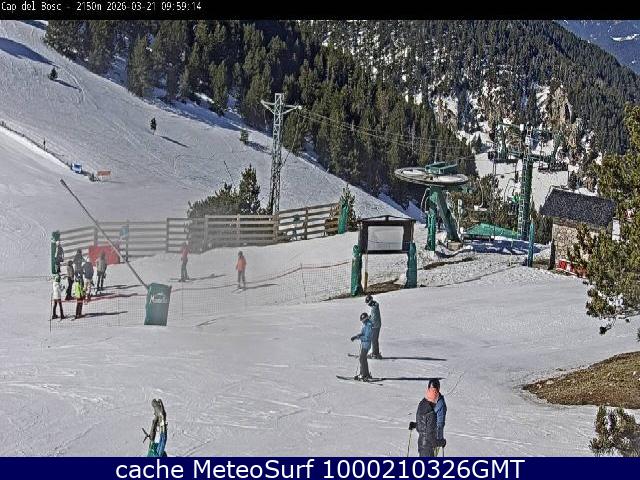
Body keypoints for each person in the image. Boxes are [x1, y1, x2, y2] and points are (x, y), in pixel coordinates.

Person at [409, 380, 447, 457]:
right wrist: (441, 442)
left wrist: (417, 424)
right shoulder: (432, 411)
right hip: (431, 443)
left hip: (422, 443)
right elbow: (436, 426)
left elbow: (424, 424)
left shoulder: (423, 403)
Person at [350, 312, 374, 381]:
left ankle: (364, 374)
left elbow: (367, 337)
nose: (362, 322)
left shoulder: (368, 326)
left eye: (362, 320)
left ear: (365, 319)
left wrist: (359, 337)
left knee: (362, 358)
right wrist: (357, 336)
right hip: (364, 344)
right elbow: (363, 333)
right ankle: (365, 374)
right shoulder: (366, 324)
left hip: (366, 344)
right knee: (363, 358)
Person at [365, 294, 382, 359]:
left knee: (374, 340)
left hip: (375, 326)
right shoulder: (374, 306)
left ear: (370, 301)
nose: (367, 304)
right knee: (374, 339)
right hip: (377, 325)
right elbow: (373, 316)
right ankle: (375, 353)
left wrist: (369, 322)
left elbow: (374, 319)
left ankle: (375, 354)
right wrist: (369, 317)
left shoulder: (374, 308)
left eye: (367, 303)